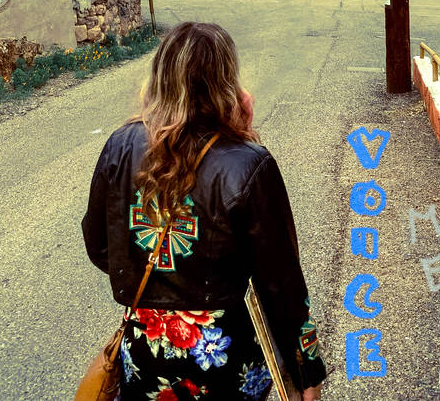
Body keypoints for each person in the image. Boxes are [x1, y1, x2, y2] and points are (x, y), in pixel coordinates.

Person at [82, 22, 326, 401]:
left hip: (145, 355)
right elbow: (280, 282)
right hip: (222, 358)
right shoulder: (248, 163)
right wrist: (305, 367)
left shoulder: (120, 144)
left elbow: (99, 245)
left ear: (160, 76)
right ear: (225, 81)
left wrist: (162, 289)